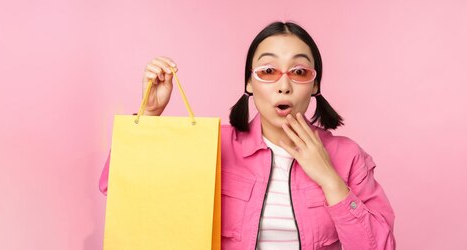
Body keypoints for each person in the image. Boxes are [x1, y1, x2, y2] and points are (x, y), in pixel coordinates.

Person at [99, 21, 396, 250]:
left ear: (314, 84)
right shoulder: (215, 145)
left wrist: (329, 179)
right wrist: (150, 115)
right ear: (249, 83)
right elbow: (122, 193)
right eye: (268, 71)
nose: (284, 85)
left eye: (299, 71)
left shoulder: (348, 156)